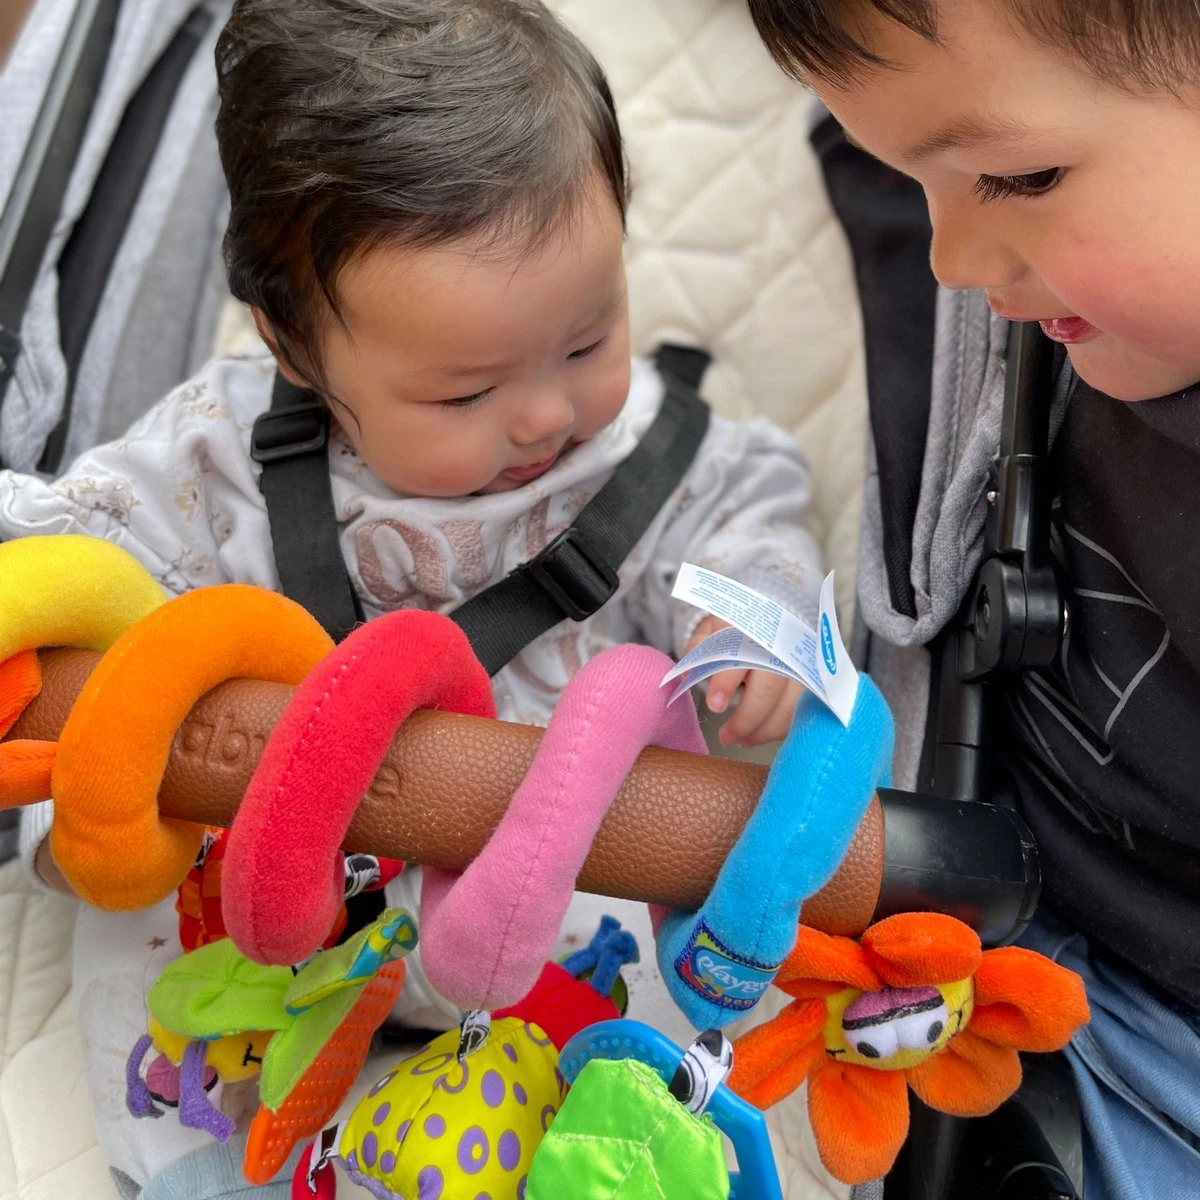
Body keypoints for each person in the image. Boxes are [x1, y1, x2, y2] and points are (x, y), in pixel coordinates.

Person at [1, 1, 824, 1194]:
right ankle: (202, 1163)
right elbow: (75, 572)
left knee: (675, 984)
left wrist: (753, 626)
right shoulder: (210, 460)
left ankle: (599, 1139)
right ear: (294, 346)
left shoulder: (651, 458)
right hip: (268, 929)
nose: (545, 413)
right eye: (465, 393)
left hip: (555, 929)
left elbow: (747, 522)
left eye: (587, 339)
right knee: (140, 951)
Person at [747, 2, 1200, 1197]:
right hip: (1013, 945)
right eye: (920, 182)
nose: (952, 264)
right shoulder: (1024, 231)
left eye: (1020, 179)